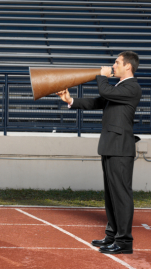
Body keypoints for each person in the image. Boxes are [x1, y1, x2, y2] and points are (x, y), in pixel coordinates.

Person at [57, 51, 142, 254]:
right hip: (111, 145)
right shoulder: (119, 88)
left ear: (128, 66)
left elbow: (104, 93)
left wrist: (101, 75)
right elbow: (98, 101)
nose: (113, 65)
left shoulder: (132, 87)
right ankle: (112, 235)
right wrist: (71, 100)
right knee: (111, 195)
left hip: (120, 147)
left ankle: (124, 242)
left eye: (117, 62)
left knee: (121, 195)